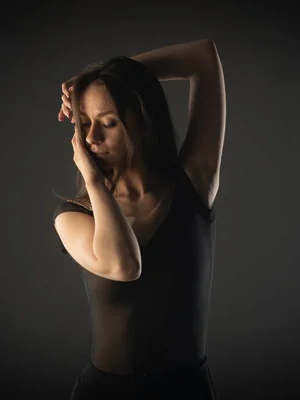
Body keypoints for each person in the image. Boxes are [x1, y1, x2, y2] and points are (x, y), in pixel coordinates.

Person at [53, 39, 226, 399]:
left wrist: (105, 79)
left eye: (109, 122)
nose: (92, 137)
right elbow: (125, 266)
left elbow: (203, 57)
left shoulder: (193, 181)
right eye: (84, 123)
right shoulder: (73, 216)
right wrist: (93, 183)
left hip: (187, 391)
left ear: (142, 119)